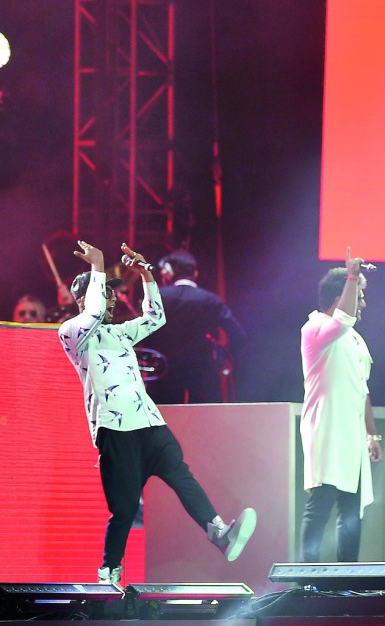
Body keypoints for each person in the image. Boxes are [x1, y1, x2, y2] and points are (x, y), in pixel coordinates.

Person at [58, 240, 256, 585]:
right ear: (83, 298)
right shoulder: (73, 333)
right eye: (104, 293)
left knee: (180, 472)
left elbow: (156, 317)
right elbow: (90, 316)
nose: (111, 299)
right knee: (122, 510)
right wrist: (99, 266)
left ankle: (219, 532)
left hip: (148, 423)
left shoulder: (120, 333)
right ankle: (110, 572)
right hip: (115, 430)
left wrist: (147, 275)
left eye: (111, 293)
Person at [299, 250, 382, 562]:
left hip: (353, 436)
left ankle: (345, 580)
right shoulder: (316, 329)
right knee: (321, 503)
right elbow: (343, 318)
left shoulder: (356, 340)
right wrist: (351, 277)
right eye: (359, 295)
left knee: (352, 508)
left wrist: (373, 435)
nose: (363, 303)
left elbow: (362, 389)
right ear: (340, 295)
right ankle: (307, 580)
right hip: (327, 428)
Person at [142, 250, 246, 403]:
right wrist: (225, 357)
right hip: (203, 374)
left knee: (165, 422)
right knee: (204, 422)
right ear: (195, 273)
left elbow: (144, 333)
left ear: (170, 273)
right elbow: (238, 334)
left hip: (163, 375)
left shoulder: (159, 297)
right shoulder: (211, 300)